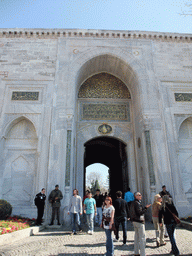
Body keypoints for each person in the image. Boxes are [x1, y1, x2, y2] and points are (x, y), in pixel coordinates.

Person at [130, 192, 151, 256]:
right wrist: (146, 208)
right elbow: (140, 212)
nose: (141, 196)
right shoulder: (137, 203)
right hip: (139, 222)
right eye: (139, 195)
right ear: (136, 196)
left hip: (134, 221)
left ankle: (136, 252)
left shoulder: (133, 203)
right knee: (142, 238)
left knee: (136, 237)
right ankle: (143, 253)